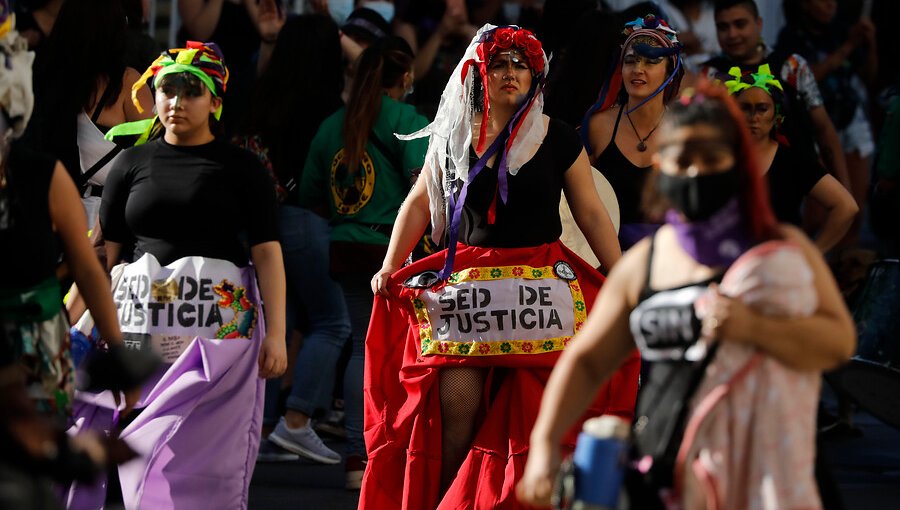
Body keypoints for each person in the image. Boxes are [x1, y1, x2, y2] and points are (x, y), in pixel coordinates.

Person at [517, 82, 856, 509]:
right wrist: (545, 445)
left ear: (737, 166)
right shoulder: (646, 262)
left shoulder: (779, 248)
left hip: (766, 474)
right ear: (661, 165)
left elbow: (839, 343)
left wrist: (755, 328)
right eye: (683, 159)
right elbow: (587, 361)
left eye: (711, 158)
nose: (696, 172)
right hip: (667, 475)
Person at [363, 25, 638, 508]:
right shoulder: (452, 136)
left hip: (543, 289)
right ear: (479, 72)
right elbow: (418, 205)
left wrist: (620, 277)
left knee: (540, 415)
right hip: (469, 290)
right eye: (499, 63)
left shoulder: (558, 137)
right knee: (456, 408)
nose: (510, 72)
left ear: (535, 75)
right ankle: (448, 499)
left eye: (521, 64)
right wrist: (390, 264)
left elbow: (591, 213)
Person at [68, 41, 287, 509]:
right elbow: (101, 257)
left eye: (192, 91)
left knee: (200, 449)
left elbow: (268, 253)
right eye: (168, 89)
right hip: (136, 331)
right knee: (129, 437)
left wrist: (279, 336)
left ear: (215, 101)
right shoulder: (130, 163)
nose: (177, 101)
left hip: (213, 341)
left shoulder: (242, 169)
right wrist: (68, 325)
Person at [0, 13, 152, 508]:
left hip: (73, 235)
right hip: (107, 231)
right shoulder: (131, 85)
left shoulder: (53, 87)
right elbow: (92, 268)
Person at [297, 35, 428, 489]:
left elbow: (311, 193)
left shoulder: (333, 124)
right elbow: (425, 187)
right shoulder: (407, 119)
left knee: (361, 347)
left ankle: (358, 454)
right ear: (406, 78)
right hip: (392, 253)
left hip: (345, 249)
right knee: (396, 353)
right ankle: (383, 450)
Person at [237, 13, 351, 466]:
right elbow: (381, 81)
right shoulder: (329, 106)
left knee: (272, 326)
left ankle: (260, 428)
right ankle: (298, 421)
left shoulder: (258, 96)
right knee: (333, 323)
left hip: (259, 224)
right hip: (308, 220)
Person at [701, 0, 850, 195]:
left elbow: (823, 129)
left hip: (797, 188)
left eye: (740, 24)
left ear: (759, 24)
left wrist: (844, 188)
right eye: (723, 27)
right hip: (736, 189)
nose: (732, 34)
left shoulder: (791, 66)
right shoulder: (710, 74)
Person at [775, 0, 877, 249]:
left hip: (851, 121)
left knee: (855, 207)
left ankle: (845, 274)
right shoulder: (791, 38)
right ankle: (813, 264)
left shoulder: (841, 30)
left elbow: (869, 76)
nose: (831, 3)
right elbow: (805, 79)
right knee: (817, 215)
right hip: (814, 128)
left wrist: (870, 42)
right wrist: (848, 47)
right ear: (804, 5)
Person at [725, 63, 857, 252]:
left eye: (762, 109)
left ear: (776, 115)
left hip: (780, 265)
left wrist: (812, 255)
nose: (754, 117)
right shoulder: (720, 157)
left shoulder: (793, 159)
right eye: (745, 108)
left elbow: (846, 207)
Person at [582, 14, 685, 251]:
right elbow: (573, 204)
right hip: (606, 255)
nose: (638, 69)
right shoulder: (598, 126)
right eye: (631, 61)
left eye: (650, 62)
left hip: (668, 256)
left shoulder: (683, 130)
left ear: (670, 71)